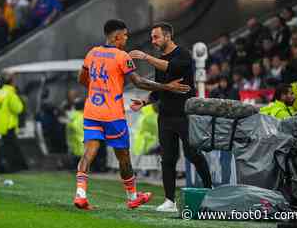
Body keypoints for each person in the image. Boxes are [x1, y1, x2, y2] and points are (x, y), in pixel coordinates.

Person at [73, 19, 190, 210]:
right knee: (124, 156)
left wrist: (98, 89)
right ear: (117, 36)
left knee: (89, 152)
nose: (127, 38)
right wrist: (165, 86)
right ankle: (133, 196)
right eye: (125, 35)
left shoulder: (92, 53)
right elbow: (138, 82)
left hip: (92, 111)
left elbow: (82, 78)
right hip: (113, 115)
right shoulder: (122, 56)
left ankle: (80, 194)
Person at [129, 22, 212, 212]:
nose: (153, 40)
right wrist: (144, 102)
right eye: (152, 37)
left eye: (156, 37)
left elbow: (171, 68)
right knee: (167, 158)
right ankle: (169, 200)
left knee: (192, 154)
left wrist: (145, 57)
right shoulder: (160, 59)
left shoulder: (182, 54)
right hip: (165, 115)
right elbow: (159, 88)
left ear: (167, 36)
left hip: (185, 114)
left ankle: (210, 189)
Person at [0, 73, 26, 172]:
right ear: (12, 82)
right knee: (10, 148)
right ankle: (11, 168)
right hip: (8, 126)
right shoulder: (10, 93)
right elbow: (18, 109)